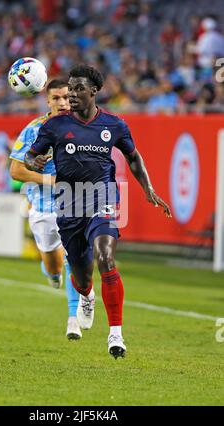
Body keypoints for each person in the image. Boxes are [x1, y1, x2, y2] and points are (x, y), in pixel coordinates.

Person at [24, 65, 172, 359]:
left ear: (93, 91)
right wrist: (33, 162)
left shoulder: (115, 125)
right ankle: (86, 296)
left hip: (102, 197)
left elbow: (133, 157)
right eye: (69, 88)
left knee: (105, 256)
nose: (71, 94)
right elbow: (31, 155)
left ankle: (115, 334)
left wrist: (148, 188)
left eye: (78, 88)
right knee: (80, 275)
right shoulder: (54, 126)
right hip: (67, 203)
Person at [10, 79, 83, 340]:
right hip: (42, 206)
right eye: (57, 98)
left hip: (75, 202)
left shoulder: (85, 126)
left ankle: (74, 318)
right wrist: (48, 180)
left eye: (66, 97)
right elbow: (16, 170)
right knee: (53, 264)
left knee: (76, 258)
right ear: (48, 101)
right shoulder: (34, 129)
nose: (63, 103)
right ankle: (51, 272)